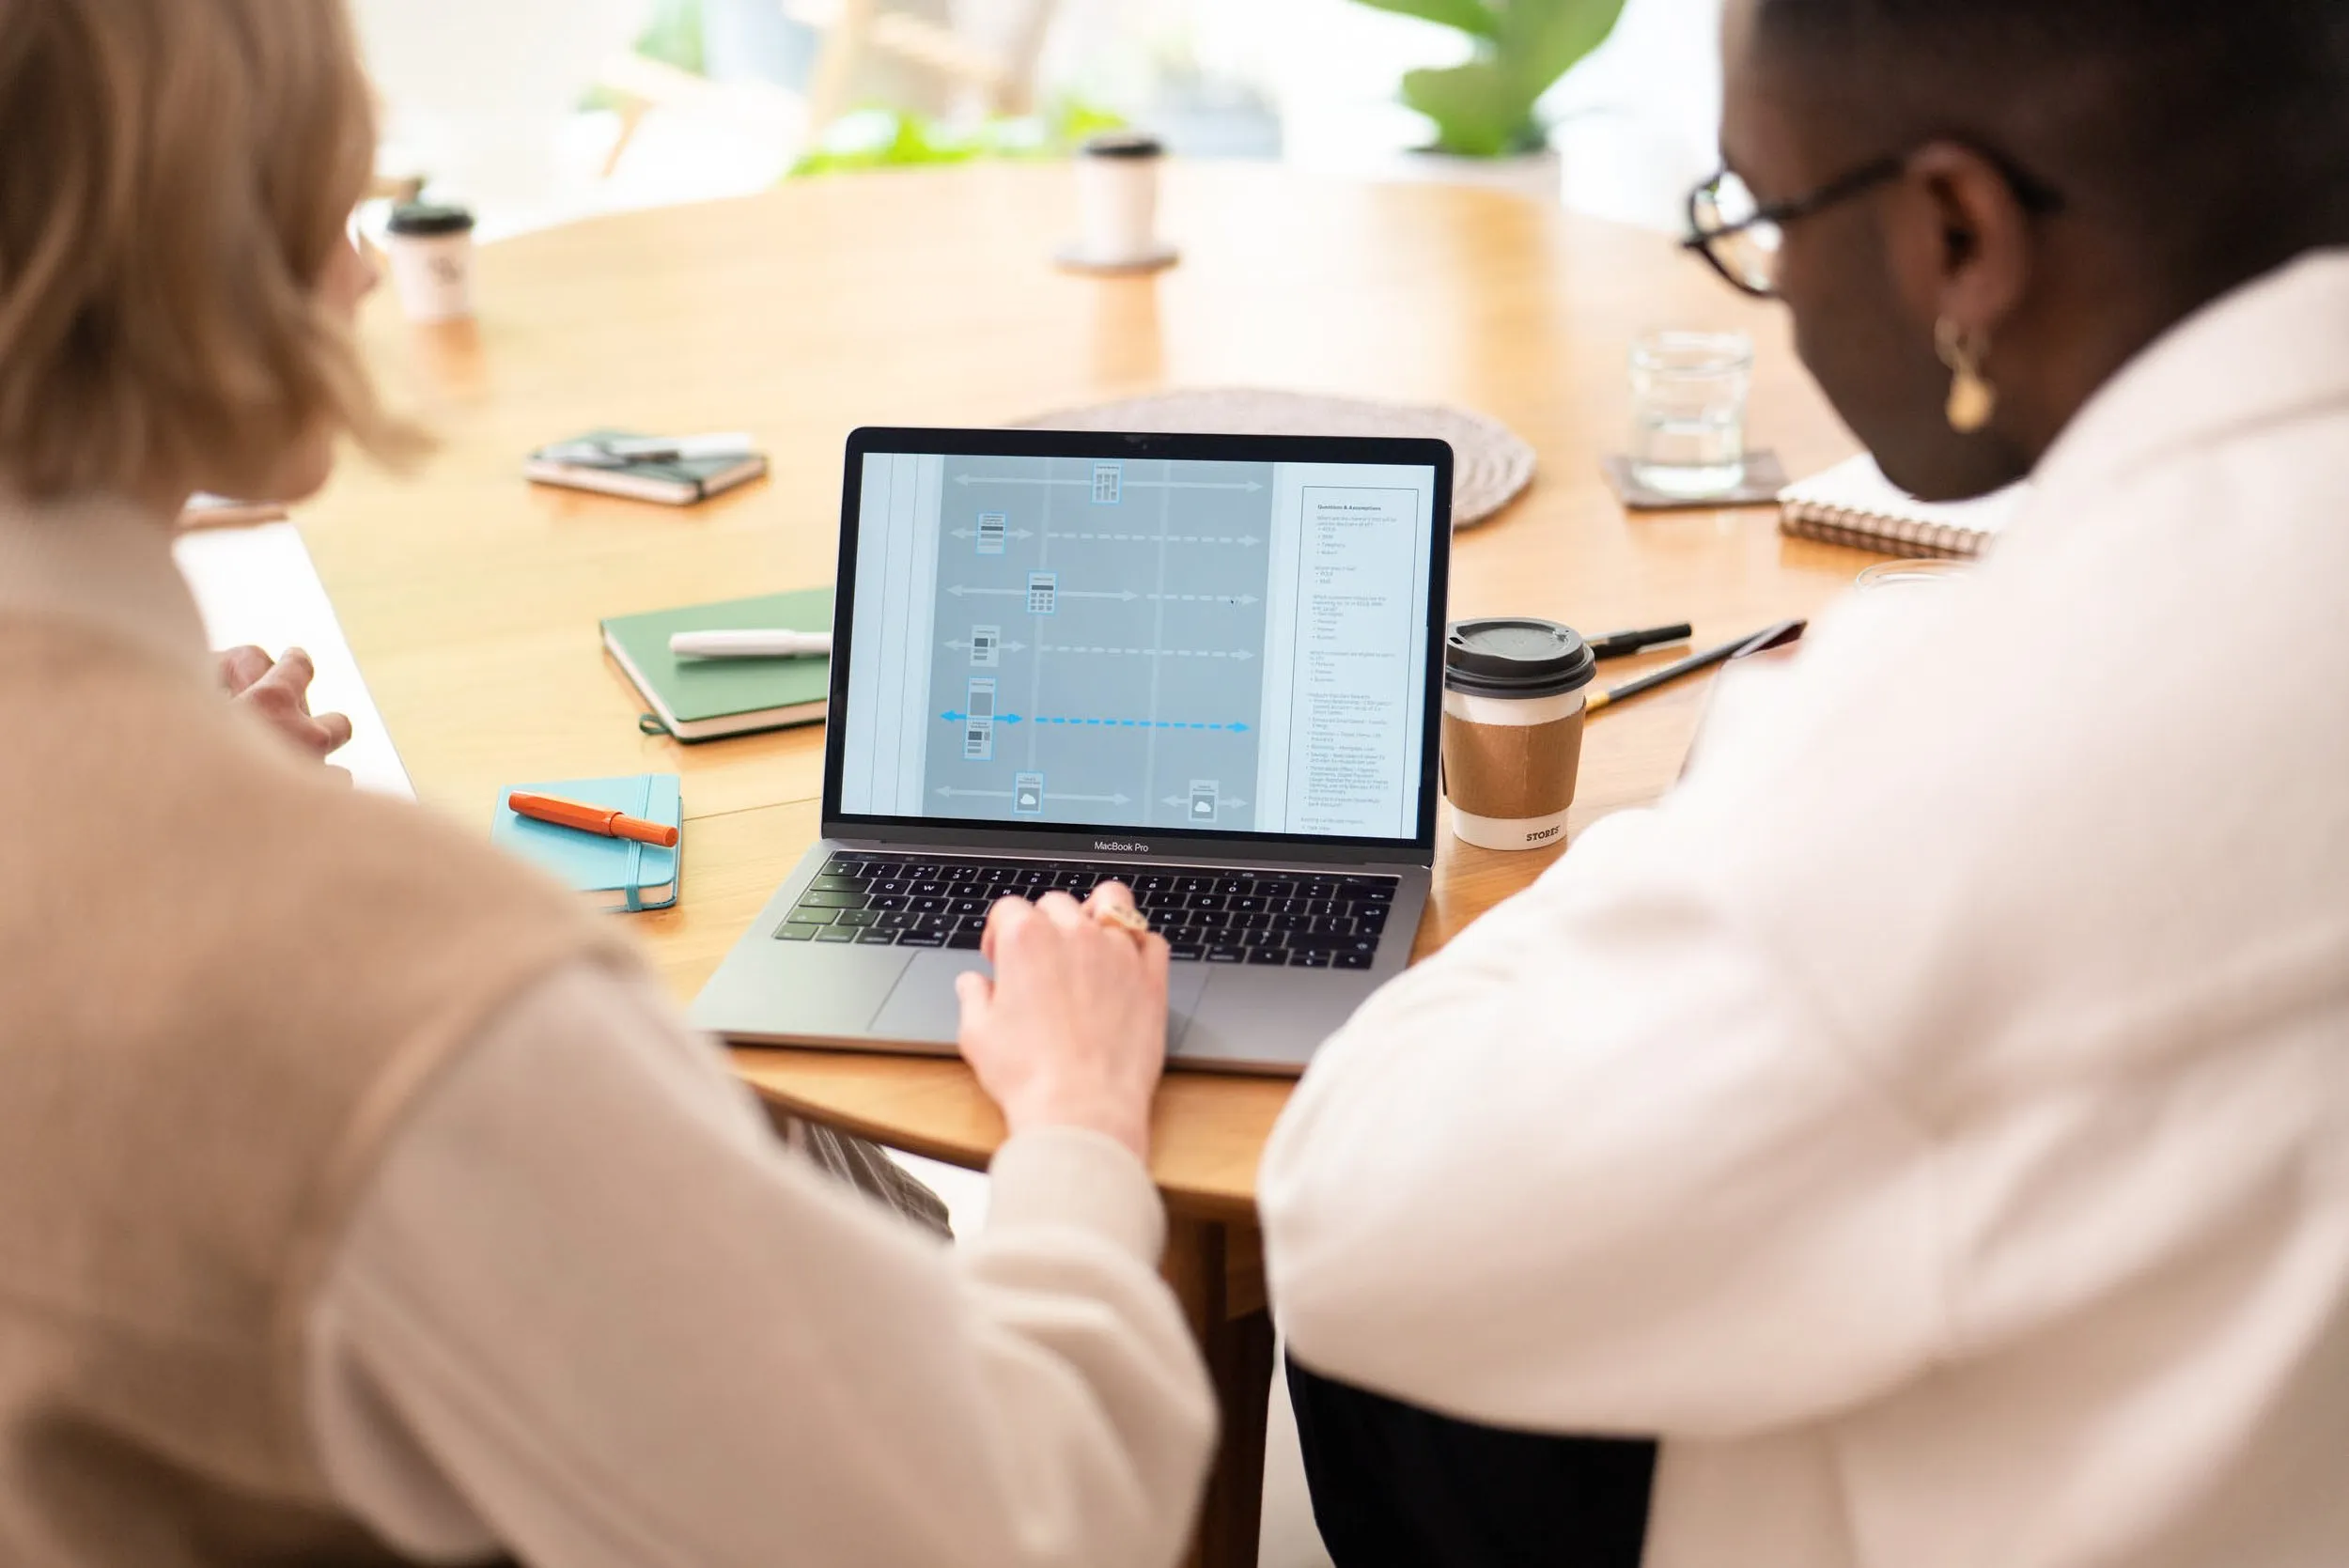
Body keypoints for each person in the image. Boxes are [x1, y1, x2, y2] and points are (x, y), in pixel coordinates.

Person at [1001, 0, 2349, 1564]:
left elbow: (1358, 1224)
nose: (1771, 286)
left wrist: (1689, 827)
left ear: (1959, 231)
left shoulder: (1959, 756)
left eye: (1759, 218)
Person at [0, 5, 1212, 1567]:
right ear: (191, 267)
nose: (371, 272)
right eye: (330, 210)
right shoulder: (393, 988)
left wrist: (188, 781)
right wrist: (1080, 1124)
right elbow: (1024, 1523)